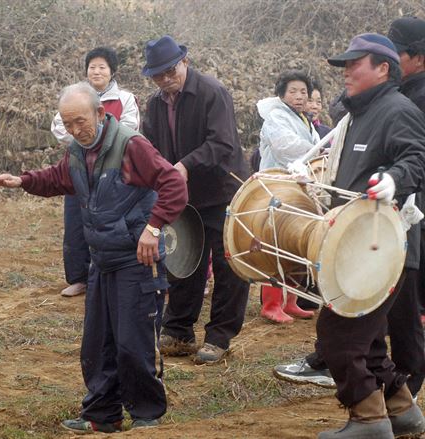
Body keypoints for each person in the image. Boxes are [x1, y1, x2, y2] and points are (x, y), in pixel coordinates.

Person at [0, 82, 187, 433]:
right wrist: (22, 180)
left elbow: (173, 183)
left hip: (136, 261)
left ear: (100, 113)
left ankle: (147, 414)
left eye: (80, 121)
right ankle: (101, 415)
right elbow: (60, 178)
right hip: (102, 261)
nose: (75, 130)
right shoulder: (78, 151)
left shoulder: (131, 145)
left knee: (133, 344)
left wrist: (153, 228)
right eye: (68, 124)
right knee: (98, 344)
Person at [275, 20, 425, 406]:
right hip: (356, 243)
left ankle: (369, 416)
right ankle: (400, 408)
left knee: (343, 336)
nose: (345, 71)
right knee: (367, 339)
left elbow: (417, 157)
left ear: (383, 68)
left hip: (384, 246)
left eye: (355, 63)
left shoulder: (398, 109)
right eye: (344, 64)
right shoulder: (357, 115)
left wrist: (394, 179)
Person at [141, 35, 250, 365]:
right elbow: (149, 147)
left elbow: (222, 143)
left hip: (222, 191)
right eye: (158, 74)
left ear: (185, 62)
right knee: (184, 260)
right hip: (183, 195)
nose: (165, 79)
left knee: (228, 263)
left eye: (170, 70)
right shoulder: (155, 104)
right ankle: (179, 330)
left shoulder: (211, 92)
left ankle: (219, 336)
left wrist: (185, 165)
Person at [50, 47, 139, 297]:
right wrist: (84, 140)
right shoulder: (76, 96)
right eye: (92, 67)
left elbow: (130, 127)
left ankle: (107, 275)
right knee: (75, 221)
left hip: (114, 170)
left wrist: (100, 141)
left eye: (102, 67)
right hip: (79, 164)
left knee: (109, 222)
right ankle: (78, 277)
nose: (97, 71)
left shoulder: (125, 98)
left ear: (112, 72)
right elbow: (59, 126)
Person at [256, 70, 321, 324]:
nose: (299, 96)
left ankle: (291, 300)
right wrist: (319, 150)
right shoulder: (275, 117)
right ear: (281, 93)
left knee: (295, 244)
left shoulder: (304, 119)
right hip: (277, 187)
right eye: (293, 91)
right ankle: (271, 303)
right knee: (275, 244)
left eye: (303, 92)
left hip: (298, 189)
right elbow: (287, 148)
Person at [389, 16, 425, 328]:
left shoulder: (417, 99)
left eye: (397, 54)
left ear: (419, 58)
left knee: (406, 295)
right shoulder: (399, 93)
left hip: (414, 207)